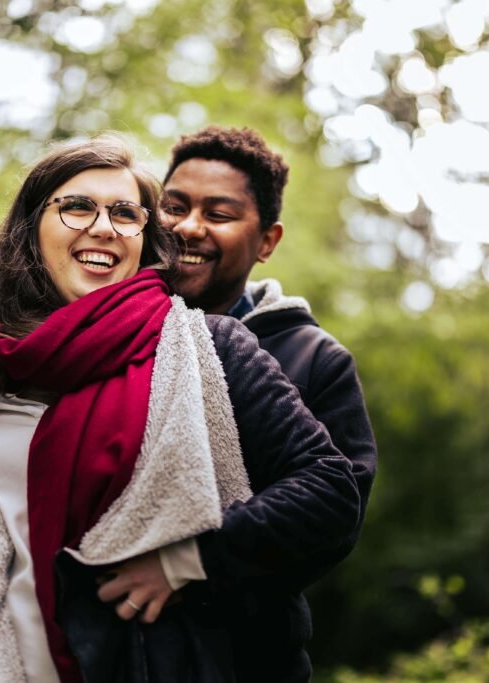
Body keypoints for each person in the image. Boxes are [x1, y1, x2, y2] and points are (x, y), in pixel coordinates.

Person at [0, 135, 360, 682]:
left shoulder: (208, 345)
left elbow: (329, 490)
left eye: (125, 214)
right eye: (77, 207)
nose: (103, 226)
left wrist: (183, 560)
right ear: (31, 227)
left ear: (143, 238)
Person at [161, 126, 378, 681]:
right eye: (174, 206)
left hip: (247, 658)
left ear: (267, 241)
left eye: (219, 214)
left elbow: (331, 518)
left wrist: (186, 560)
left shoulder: (312, 359)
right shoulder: (99, 329)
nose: (189, 227)